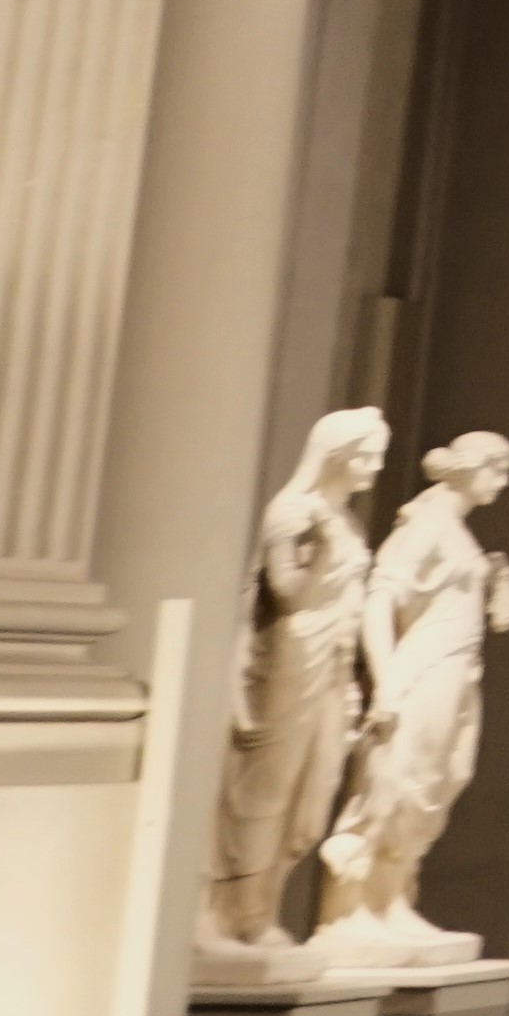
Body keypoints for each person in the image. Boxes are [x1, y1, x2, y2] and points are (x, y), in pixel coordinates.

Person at [319, 432, 509, 962]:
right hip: (425, 667)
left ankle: (390, 900)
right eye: (497, 469)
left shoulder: (456, 531)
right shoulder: (425, 523)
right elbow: (380, 599)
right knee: (397, 778)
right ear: (470, 468)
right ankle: (351, 911)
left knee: (442, 778)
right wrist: (386, 681)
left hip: (459, 670)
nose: (503, 482)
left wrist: (500, 592)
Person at [203, 409, 391, 964]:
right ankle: (239, 915)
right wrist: (322, 554)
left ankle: (265, 907)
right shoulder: (292, 512)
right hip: (291, 659)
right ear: (336, 455)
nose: (376, 466)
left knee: (315, 786)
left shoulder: (345, 521)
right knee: (268, 785)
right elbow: (285, 592)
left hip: (330, 663)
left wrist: (351, 674)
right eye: (367, 455)